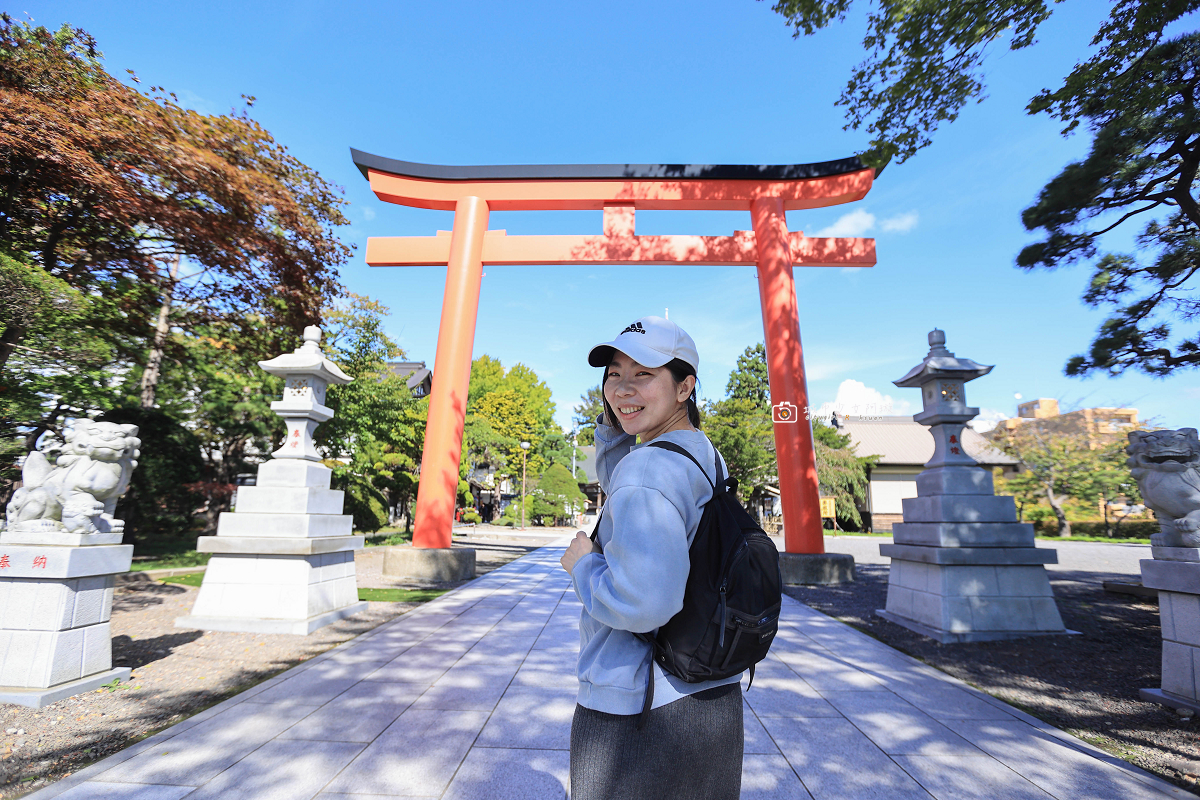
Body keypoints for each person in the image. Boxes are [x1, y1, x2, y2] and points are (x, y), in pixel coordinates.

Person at [560, 315, 744, 800]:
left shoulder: (648, 469)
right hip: (708, 692)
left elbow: (641, 602)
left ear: (685, 387)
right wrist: (620, 417)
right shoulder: (700, 453)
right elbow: (634, 480)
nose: (622, 388)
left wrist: (582, 565)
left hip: (639, 706)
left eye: (643, 374)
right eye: (613, 374)